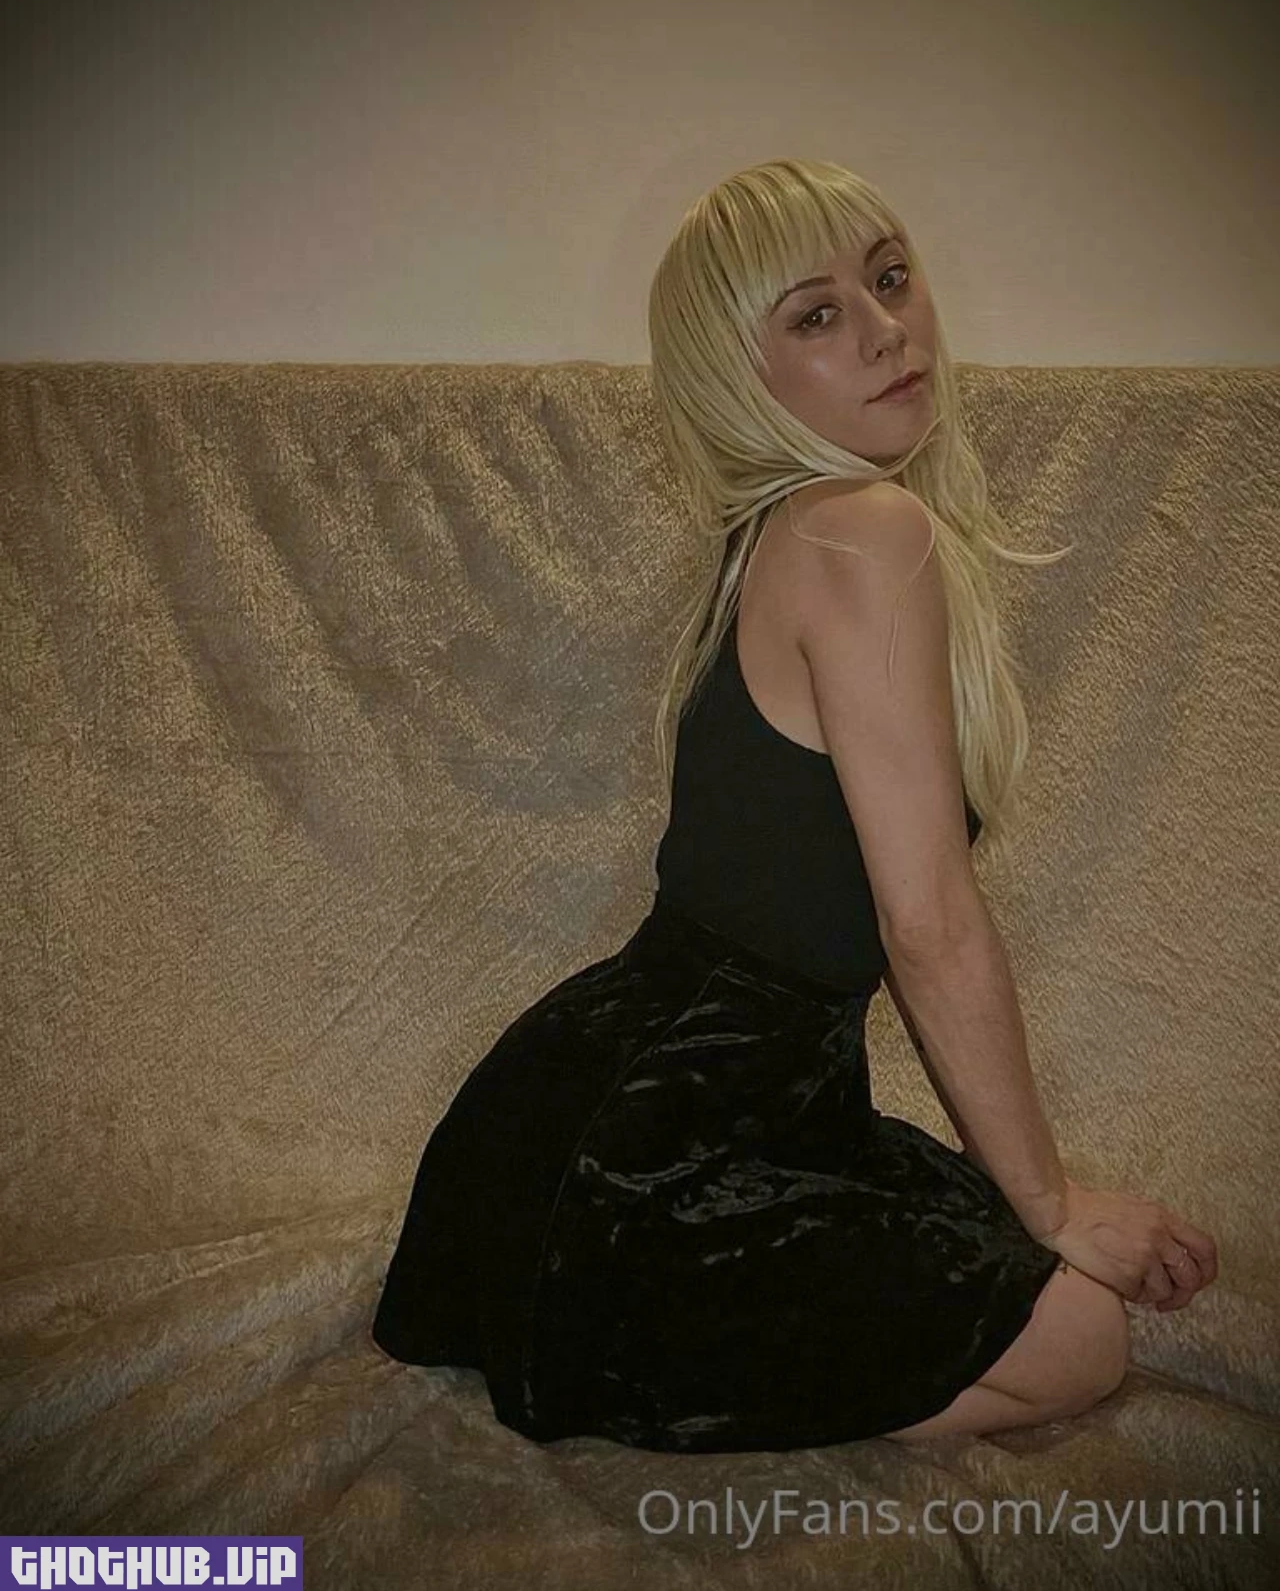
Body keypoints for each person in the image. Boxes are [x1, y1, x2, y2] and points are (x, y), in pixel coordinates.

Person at [371, 158, 1217, 1452]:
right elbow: (928, 924)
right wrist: (1052, 1200)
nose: (885, 329)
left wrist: (1030, 1195)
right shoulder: (858, 532)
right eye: (817, 314)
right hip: (656, 1143)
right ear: (740, 378)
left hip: (705, 1100)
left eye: (891, 279)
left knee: (1000, 1259)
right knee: (1079, 1339)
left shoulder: (794, 529)